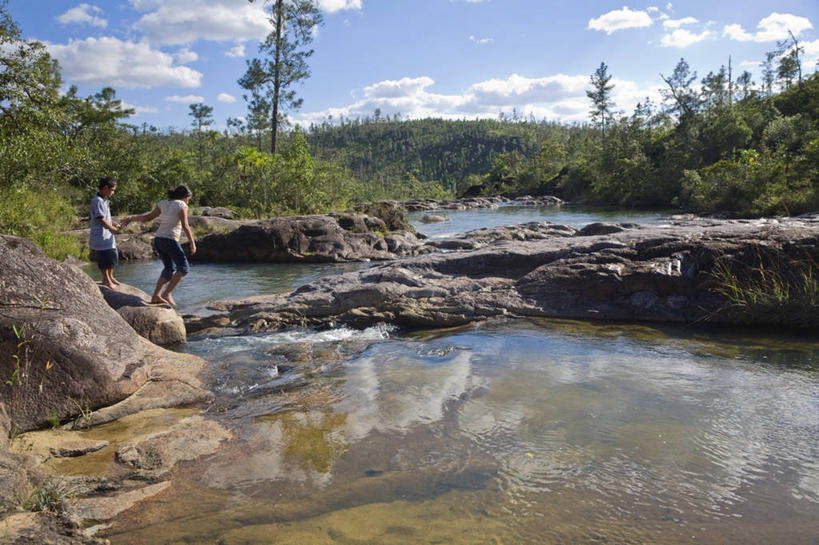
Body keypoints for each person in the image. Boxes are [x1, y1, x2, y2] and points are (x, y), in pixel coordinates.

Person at [123, 185, 197, 306]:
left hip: (158, 240)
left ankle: (156, 296)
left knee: (169, 268)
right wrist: (192, 243)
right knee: (184, 268)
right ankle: (167, 293)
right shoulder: (182, 205)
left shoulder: (163, 203)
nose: (188, 200)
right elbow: (185, 225)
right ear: (184, 196)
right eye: (188, 198)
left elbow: (148, 217)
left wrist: (131, 218)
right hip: (170, 239)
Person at [90, 177, 122, 290]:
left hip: (107, 235)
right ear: (105, 188)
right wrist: (112, 228)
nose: (113, 193)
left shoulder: (105, 200)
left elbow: (106, 217)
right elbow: (100, 219)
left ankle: (110, 276)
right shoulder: (97, 201)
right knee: (104, 258)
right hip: (100, 235)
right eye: (112, 190)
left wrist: (114, 223)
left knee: (112, 256)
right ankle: (106, 279)